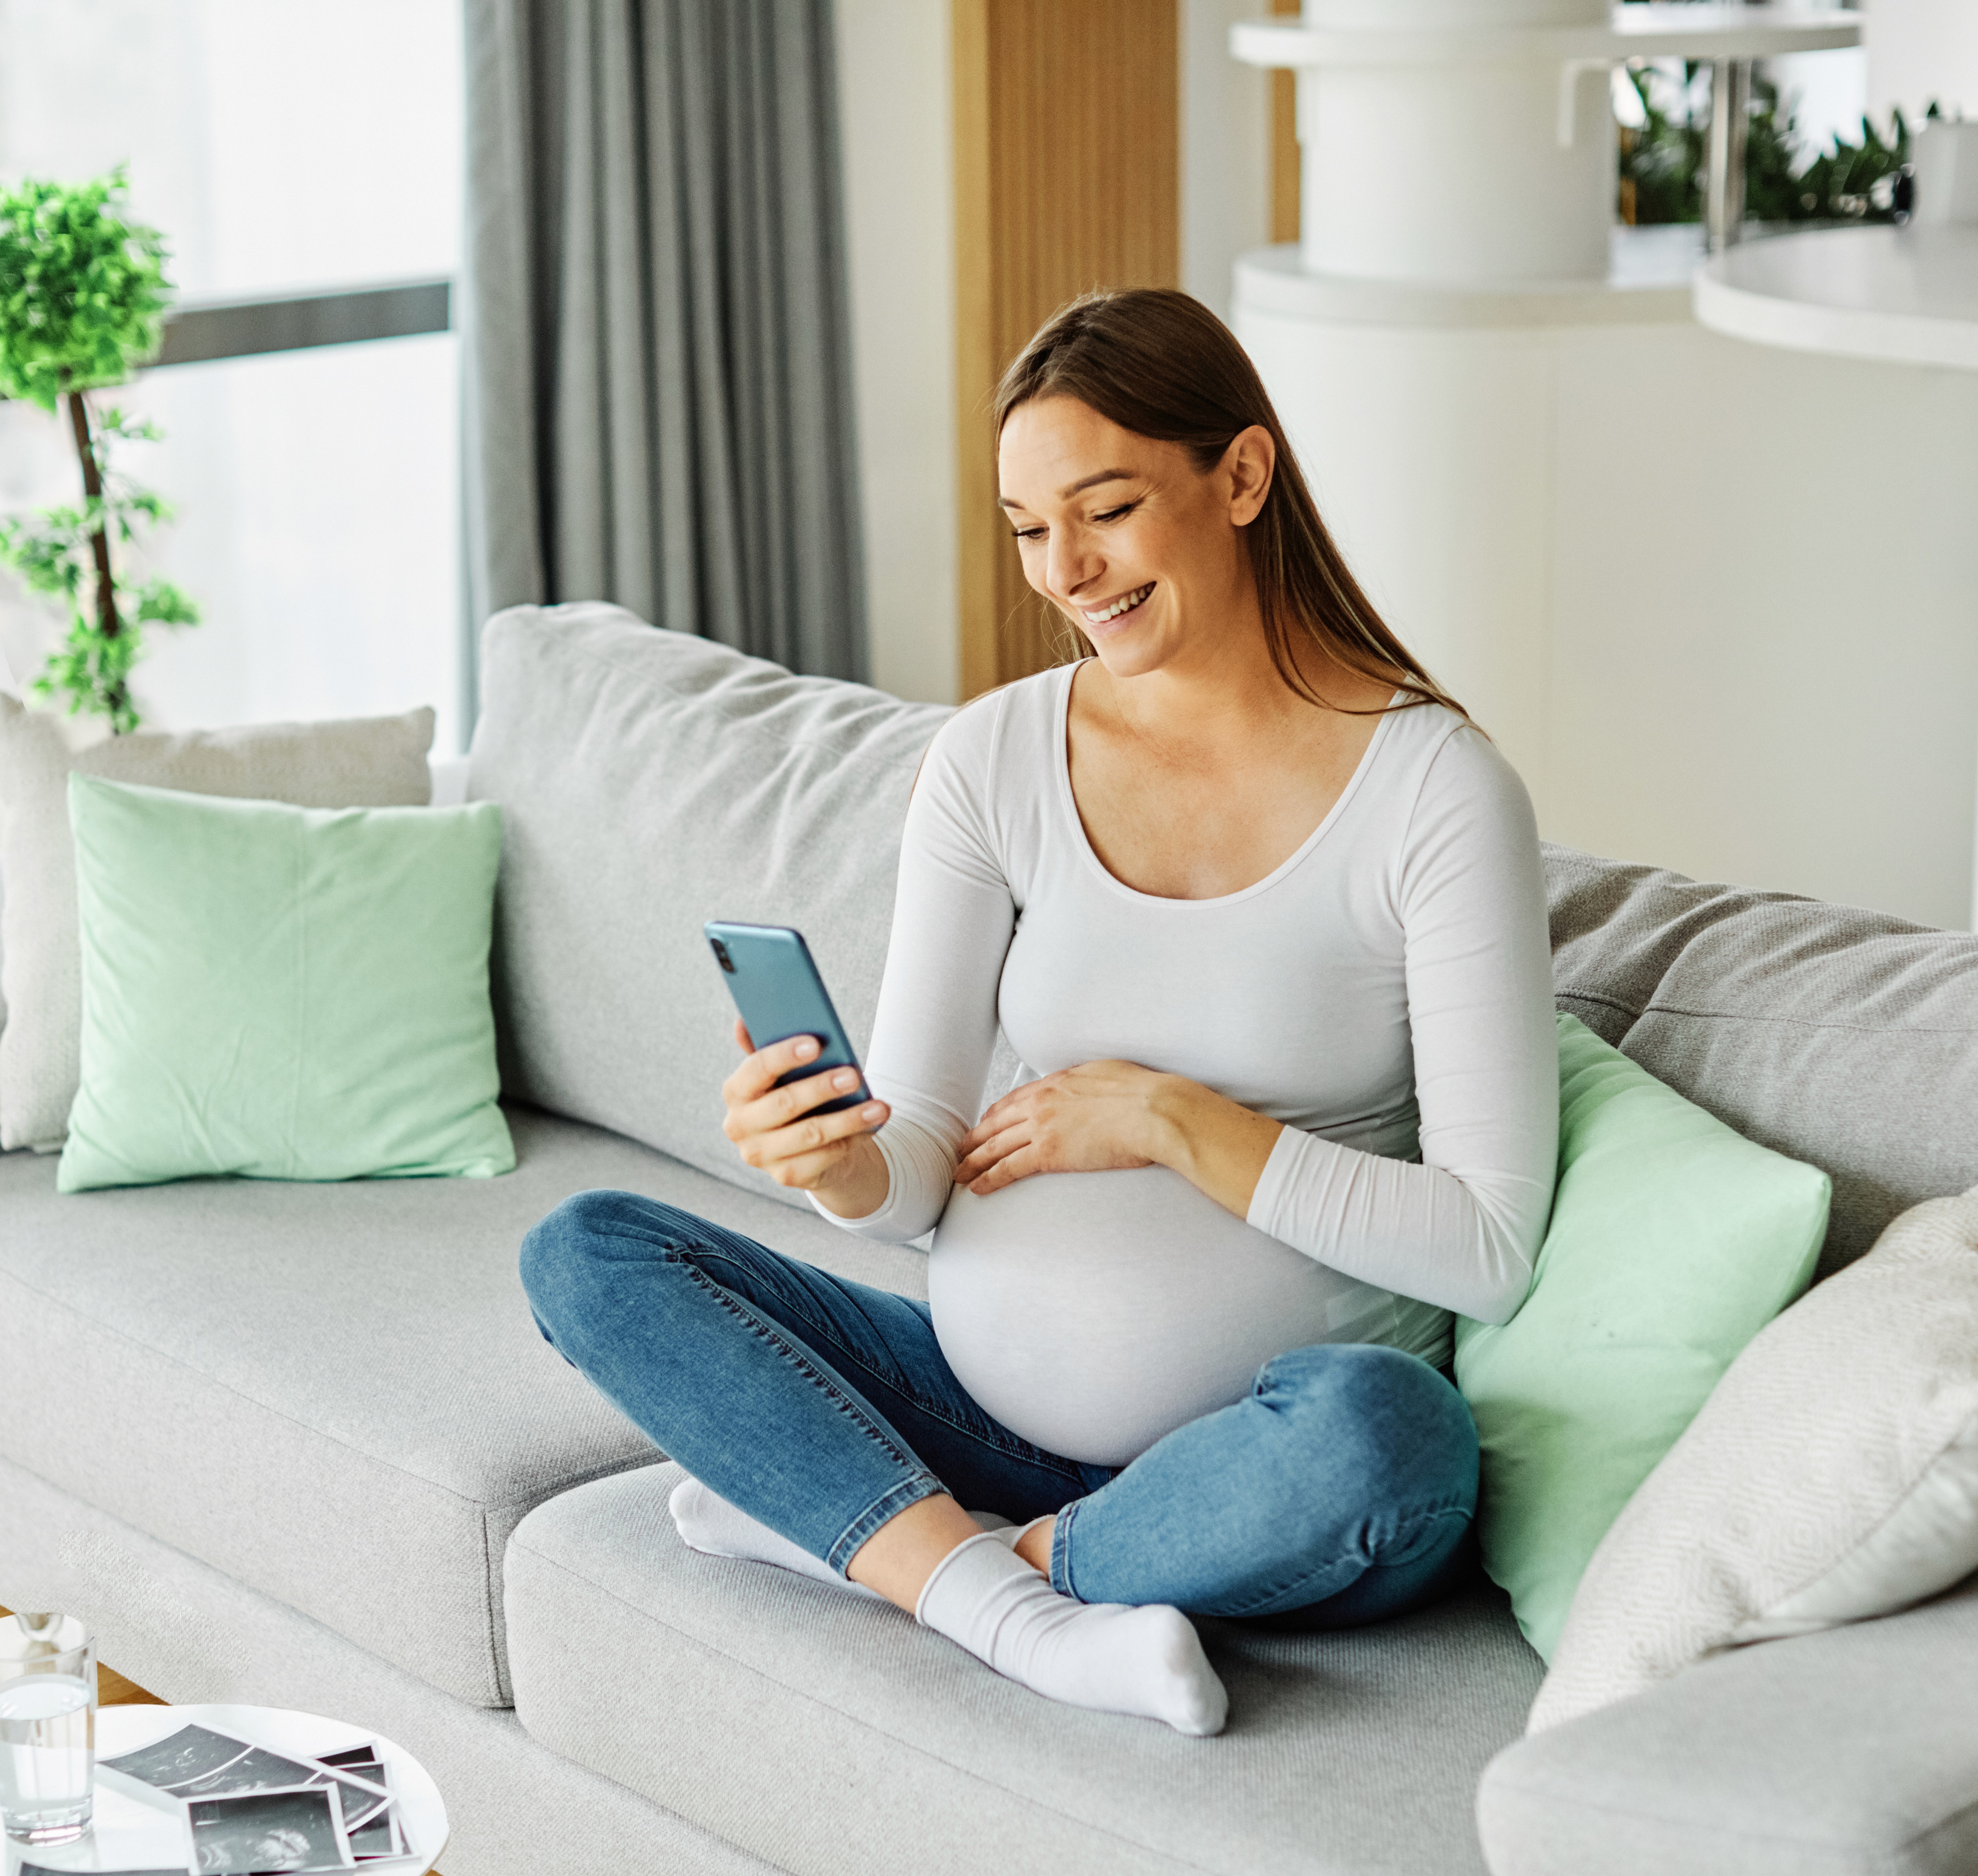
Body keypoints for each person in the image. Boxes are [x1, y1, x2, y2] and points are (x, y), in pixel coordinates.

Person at [521, 288, 1558, 1739]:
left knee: (1394, 1439)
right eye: (1026, 529)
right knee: (590, 1251)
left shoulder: (1436, 792)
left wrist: (1175, 1120)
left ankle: (908, 1546)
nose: (1066, 570)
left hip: (1267, 1456)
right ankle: (1009, 1603)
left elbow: (1490, 1246)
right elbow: (915, 1173)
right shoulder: (995, 757)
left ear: (1242, 476)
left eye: (1107, 510)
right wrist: (840, 1161)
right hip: (981, 1408)